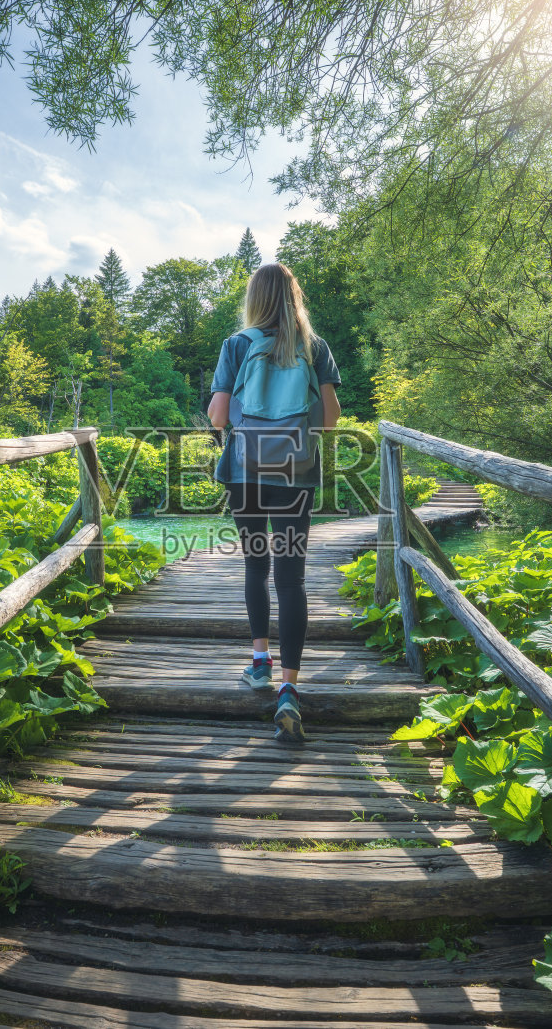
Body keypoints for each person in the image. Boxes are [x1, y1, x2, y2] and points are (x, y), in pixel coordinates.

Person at [207, 263, 342, 744]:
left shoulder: (237, 344)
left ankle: (259, 663)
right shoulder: (314, 346)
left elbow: (219, 414)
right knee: (292, 578)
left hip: (245, 470)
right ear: (294, 296)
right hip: (296, 471)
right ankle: (289, 689)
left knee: (255, 567)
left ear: (254, 299)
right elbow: (329, 419)